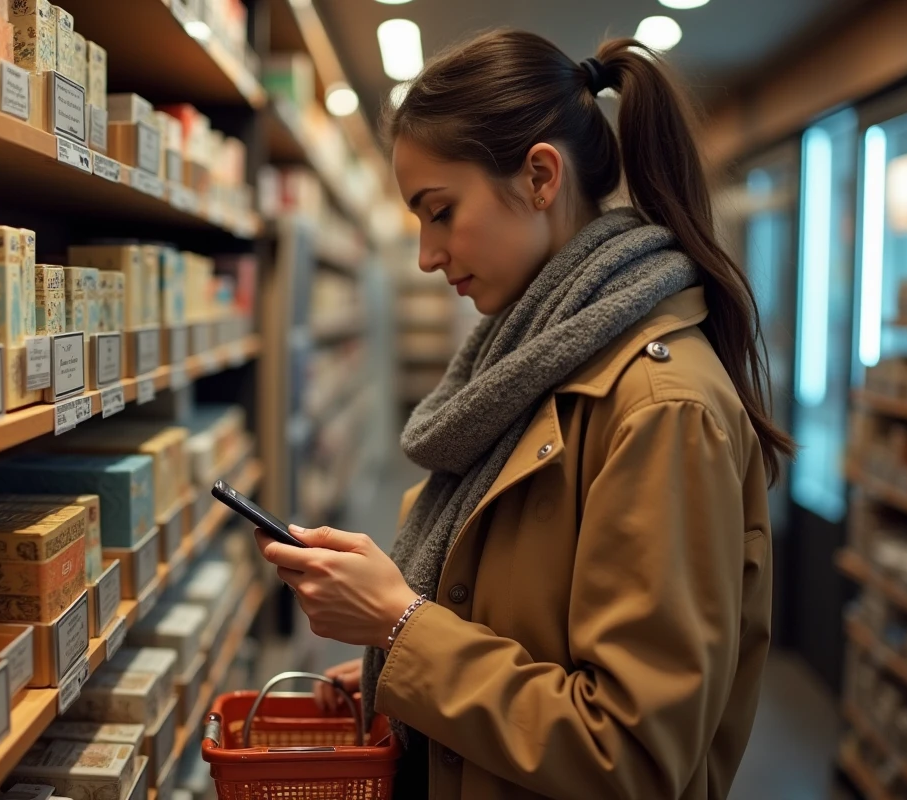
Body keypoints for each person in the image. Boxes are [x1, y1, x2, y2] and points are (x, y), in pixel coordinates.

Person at [255, 29, 794, 800]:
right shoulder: (530, 369)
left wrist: (403, 627)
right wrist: (392, 670)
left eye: (439, 212)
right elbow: (528, 636)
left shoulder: (662, 410)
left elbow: (632, 757)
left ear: (541, 176)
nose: (425, 256)